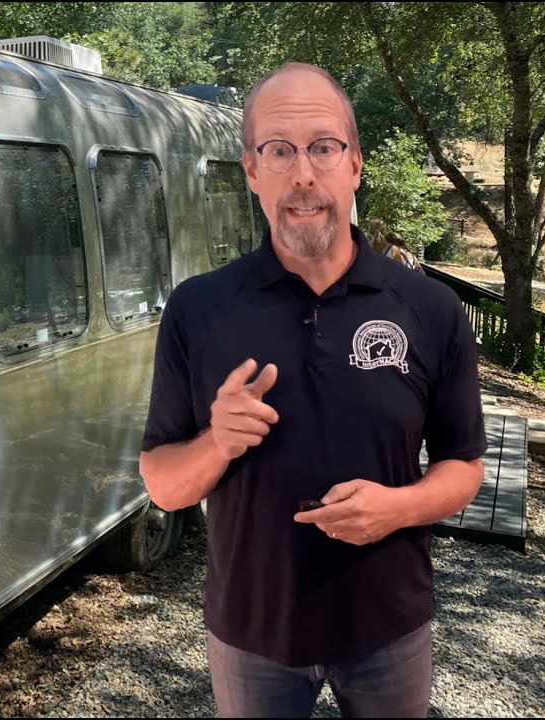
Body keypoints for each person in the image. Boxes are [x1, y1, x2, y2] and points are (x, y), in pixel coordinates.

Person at [139, 62, 486, 718]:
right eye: (278, 150)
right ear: (251, 171)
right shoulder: (199, 309)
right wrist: (217, 442)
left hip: (389, 625)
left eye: (323, 147)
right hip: (251, 634)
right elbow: (163, 486)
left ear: (354, 165)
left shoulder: (430, 309)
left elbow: (463, 467)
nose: (303, 174)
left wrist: (397, 508)